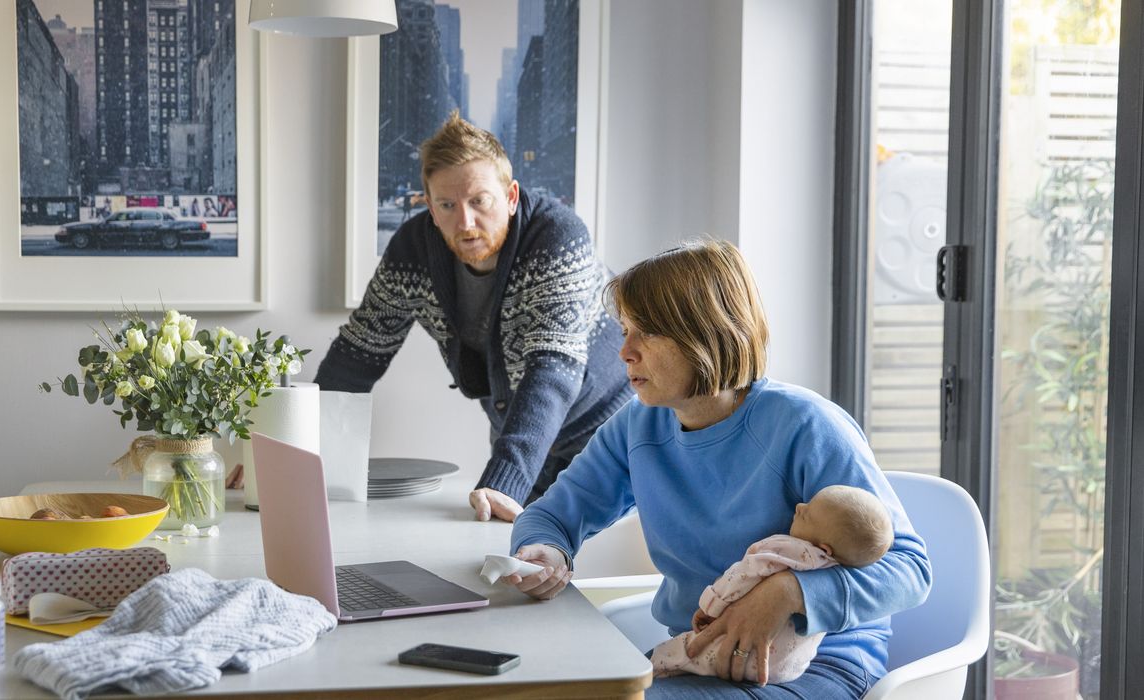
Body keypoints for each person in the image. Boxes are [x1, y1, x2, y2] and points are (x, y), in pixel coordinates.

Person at [506, 240, 931, 698]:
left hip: (811, 667)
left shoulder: (806, 426)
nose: (625, 351)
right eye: (625, 330)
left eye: (646, 332)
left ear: (705, 333)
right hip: (700, 658)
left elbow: (910, 570)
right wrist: (545, 551)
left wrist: (787, 592)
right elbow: (551, 515)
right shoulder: (638, 425)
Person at [315, 112, 632, 522]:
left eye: (479, 201)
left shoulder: (556, 237)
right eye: (447, 205)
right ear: (429, 205)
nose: (465, 222)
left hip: (605, 432)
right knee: (510, 564)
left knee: (572, 565)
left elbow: (551, 369)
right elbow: (357, 355)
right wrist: (288, 453)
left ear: (511, 196)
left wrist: (503, 482)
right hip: (523, 437)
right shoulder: (412, 251)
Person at [651, 485, 894, 683]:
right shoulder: (837, 564)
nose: (799, 506)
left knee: (671, 656)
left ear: (824, 547)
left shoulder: (782, 548)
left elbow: (741, 575)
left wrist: (711, 605)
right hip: (787, 667)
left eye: (807, 513)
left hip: (735, 649)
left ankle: (659, 665)